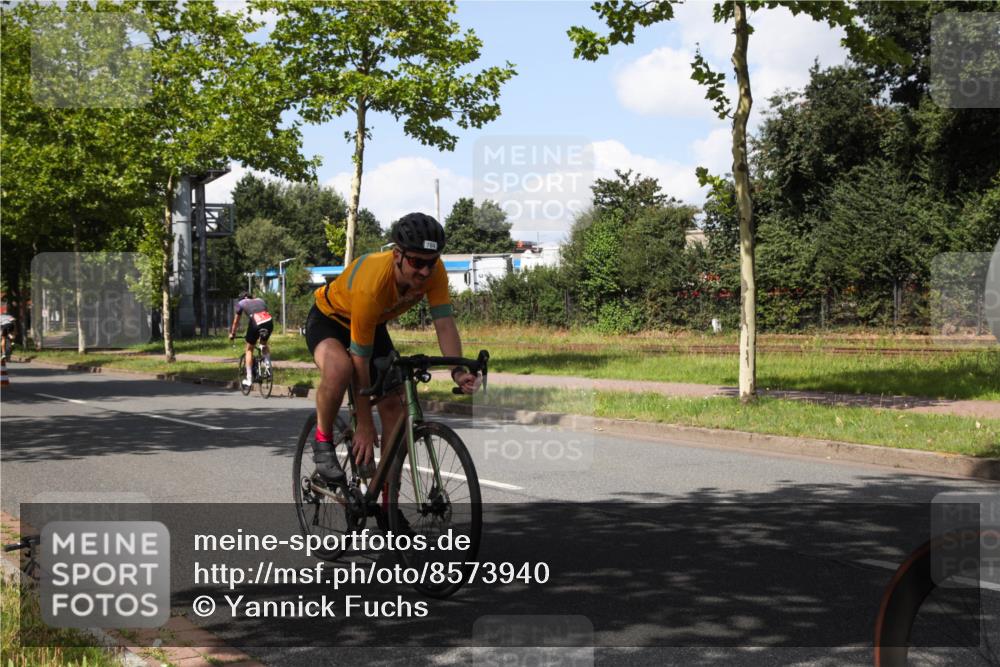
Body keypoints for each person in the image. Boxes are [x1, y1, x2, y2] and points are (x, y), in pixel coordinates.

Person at [304, 212, 479, 484]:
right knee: (340, 368)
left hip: (372, 324)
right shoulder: (373, 284)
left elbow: (444, 324)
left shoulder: (435, 273)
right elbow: (360, 361)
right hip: (330, 319)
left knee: (397, 408)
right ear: (398, 255)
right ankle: (322, 440)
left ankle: (387, 499)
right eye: (416, 262)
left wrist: (457, 370)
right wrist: (364, 423)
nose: (424, 271)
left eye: (431, 262)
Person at [228, 291, 273, 387]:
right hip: (269, 322)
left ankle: (249, 379)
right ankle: (268, 367)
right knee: (263, 344)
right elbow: (264, 312)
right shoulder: (260, 300)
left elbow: (236, 321)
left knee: (249, 349)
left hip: (256, 323)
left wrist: (233, 333)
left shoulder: (241, 303)